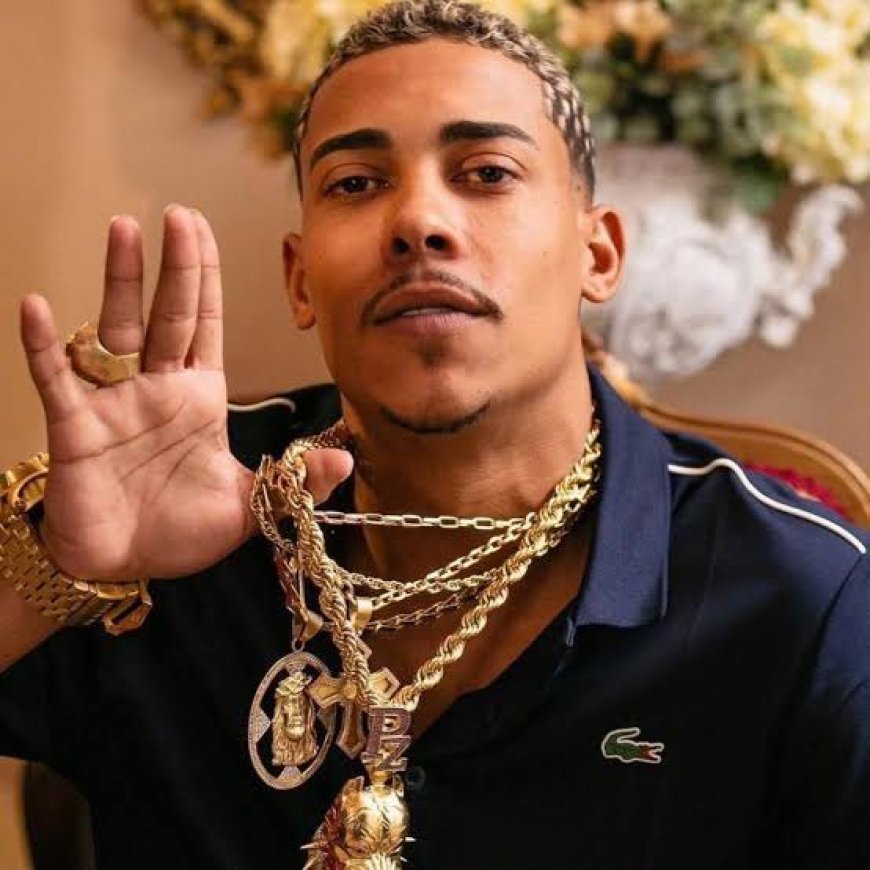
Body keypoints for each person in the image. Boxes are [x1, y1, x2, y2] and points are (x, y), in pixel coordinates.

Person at [1, 1, 868, 868]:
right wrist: (58, 573)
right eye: (355, 183)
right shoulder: (168, 510)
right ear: (300, 282)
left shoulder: (799, 602)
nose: (419, 221)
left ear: (598, 254)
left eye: (487, 172)